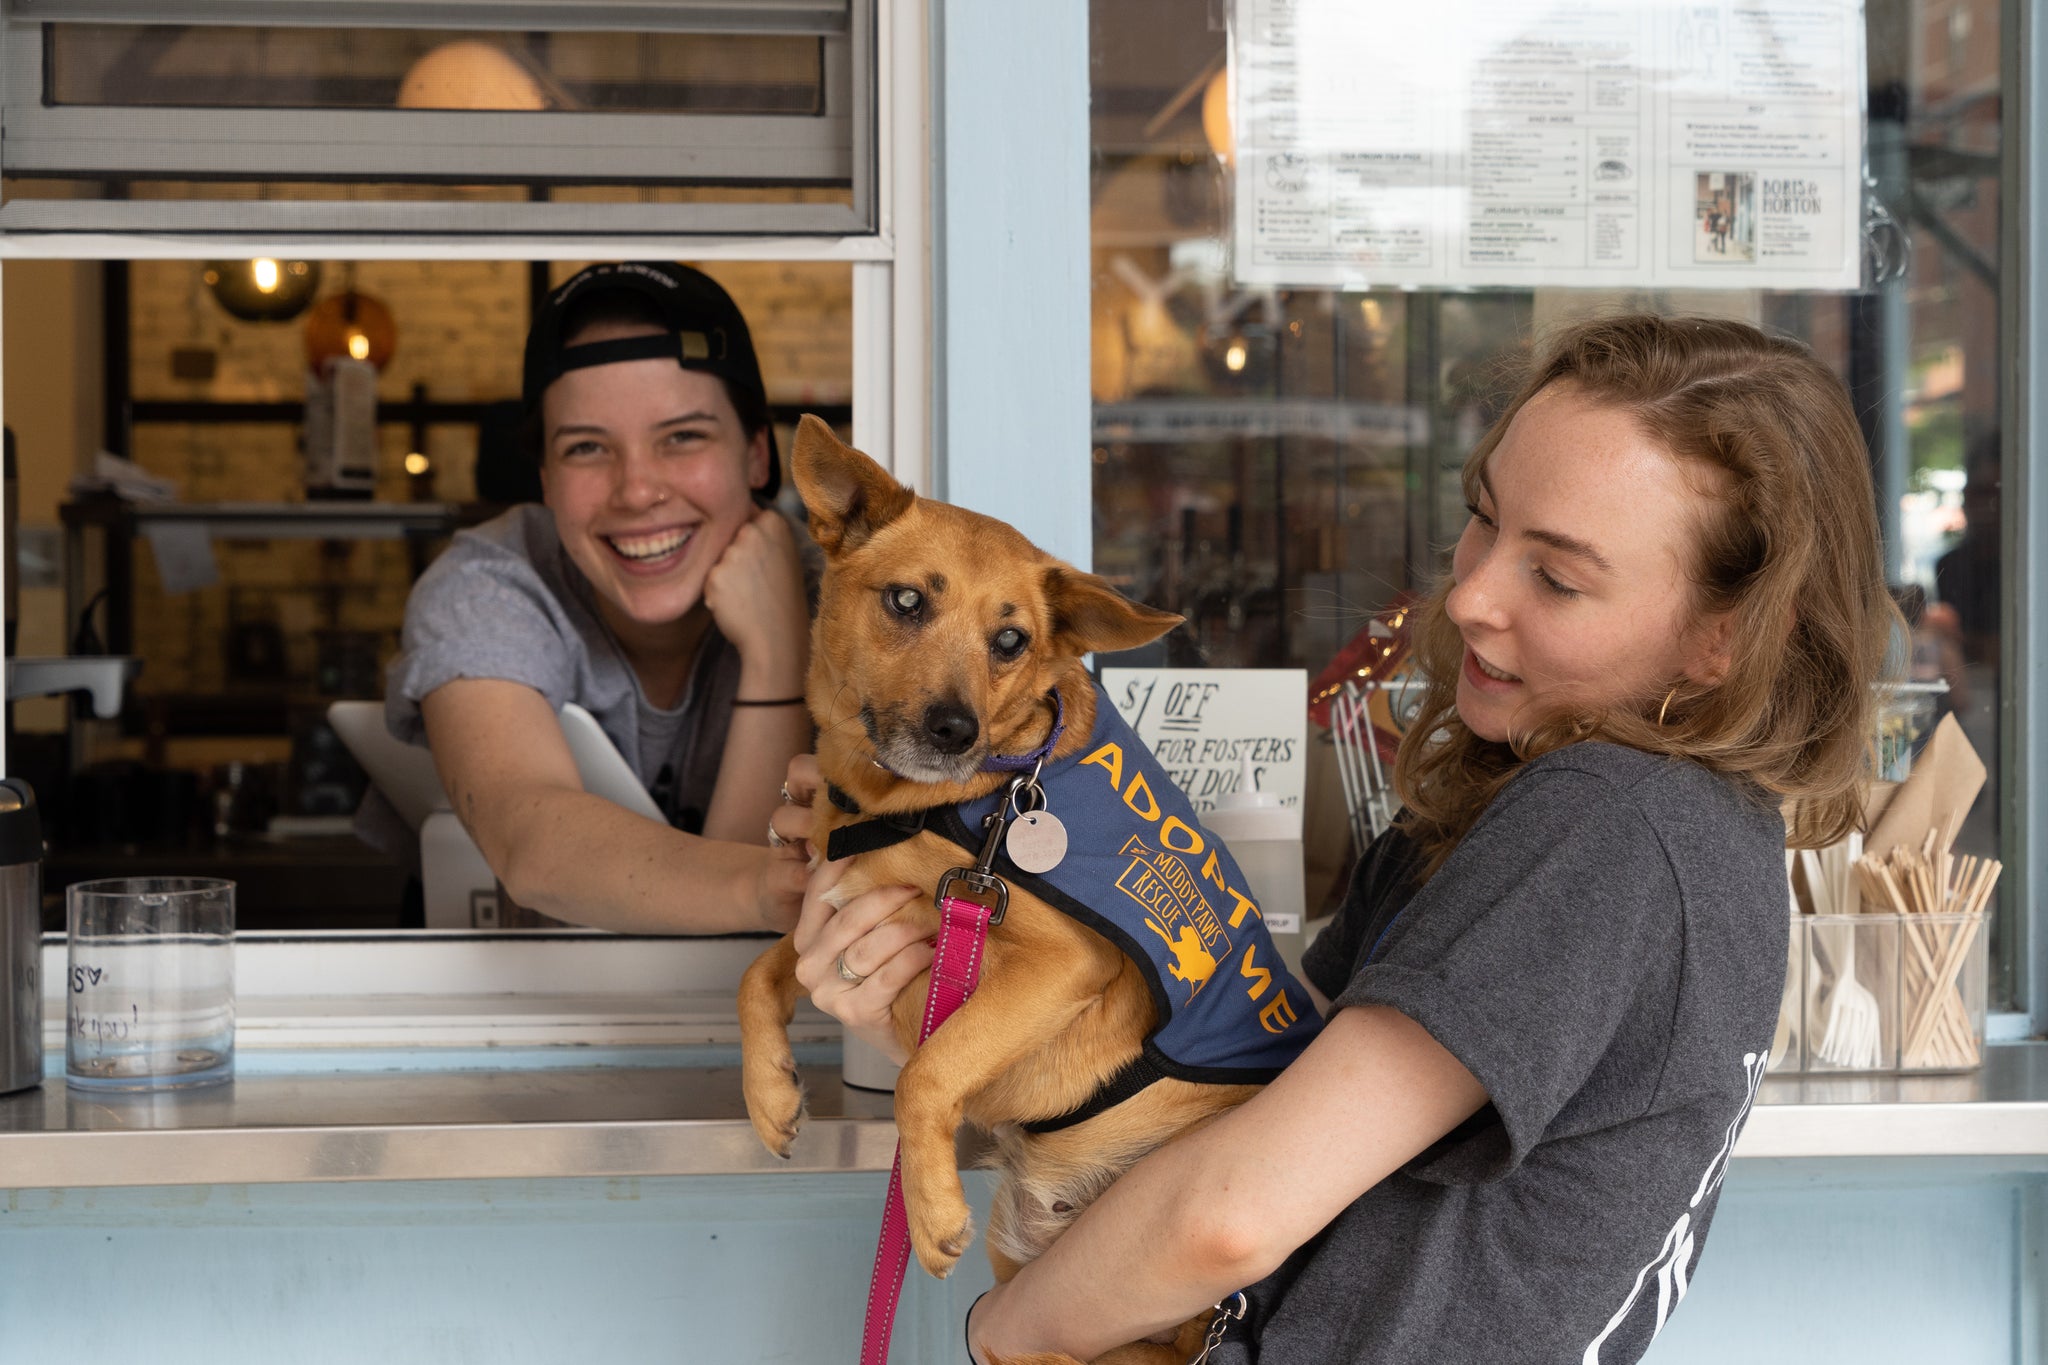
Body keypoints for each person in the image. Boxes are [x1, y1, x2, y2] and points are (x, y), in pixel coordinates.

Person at [777, 314, 1895, 1363]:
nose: (1468, 599)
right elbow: (1251, 1094)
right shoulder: (1572, 810)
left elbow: (1227, 1216)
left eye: (1553, 576)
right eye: (1481, 517)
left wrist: (1000, 1337)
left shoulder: (1608, 822)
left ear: (1723, 638)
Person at [386, 262, 812, 934]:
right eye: (587, 447)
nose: (637, 490)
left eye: (682, 437)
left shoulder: (844, 589)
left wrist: (780, 652)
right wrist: (771, 885)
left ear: (759, 455)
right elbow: (533, 844)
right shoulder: (489, 584)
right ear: (547, 479)